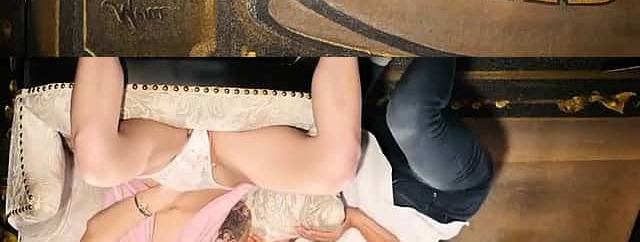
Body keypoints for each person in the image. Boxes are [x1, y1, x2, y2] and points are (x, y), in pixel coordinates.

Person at [71, 57, 362, 242]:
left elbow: (96, 233)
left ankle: (97, 16)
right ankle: (338, 33)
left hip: (160, 164)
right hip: (223, 169)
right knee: (335, 171)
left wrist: (168, 191)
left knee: (96, 166)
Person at [293, 58, 494, 242]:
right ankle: (444, 34)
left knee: (310, 105)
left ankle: (372, 57)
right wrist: (353, 219)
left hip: (365, 153)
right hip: (434, 200)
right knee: (408, 117)